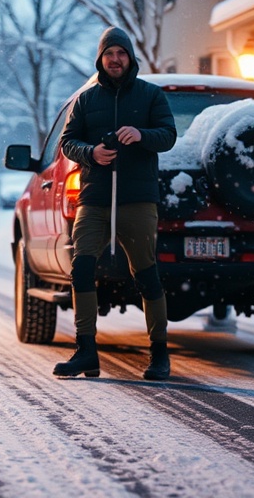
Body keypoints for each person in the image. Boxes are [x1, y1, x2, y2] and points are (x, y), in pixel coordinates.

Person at [53, 26, 177, 380]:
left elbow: (168, 136)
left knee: (146, 273)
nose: (115, 59)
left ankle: (159, 354)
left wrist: (141, 135)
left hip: (137, 199)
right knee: (81, 268)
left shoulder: (151, 95)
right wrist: (91, 153)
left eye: (121, 53)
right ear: (101, 59)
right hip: (94, 198)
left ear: (130, 57)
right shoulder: (86, 100)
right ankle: (86, 351)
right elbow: (68, 142)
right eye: (109, 54)